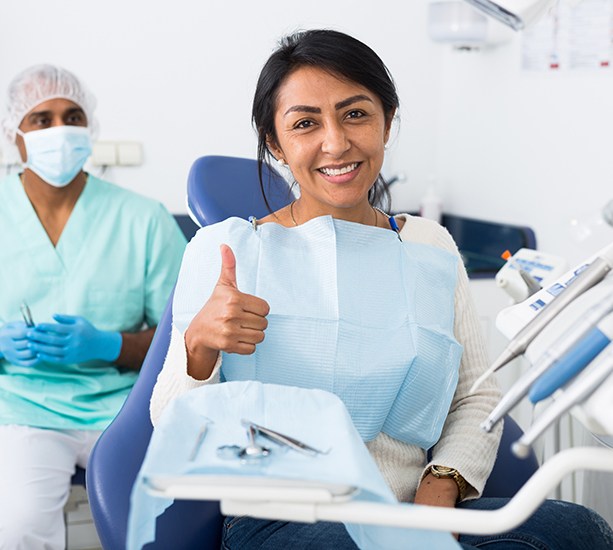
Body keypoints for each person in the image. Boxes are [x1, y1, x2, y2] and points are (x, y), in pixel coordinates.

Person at [149, 30, 613, 549]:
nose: (336, 142)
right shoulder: (224, 250)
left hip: (414, 508)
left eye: (355, 114)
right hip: (286, 522)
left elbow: (476, 395)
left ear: (387, 122)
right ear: (275, 143)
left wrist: (441, 490)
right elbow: (171, 425)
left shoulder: (431, 246)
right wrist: (200, 347)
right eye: (306, 123)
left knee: (581, 531)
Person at [0, 64, 187, 549]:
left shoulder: (142, 219)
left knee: (165, 522)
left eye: (72, 116)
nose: (60, 130)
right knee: (16, 525)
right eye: (41, 120)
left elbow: (183, 337)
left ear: (90, 127)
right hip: (25, 407)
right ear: (14, 135)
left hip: (124, 405)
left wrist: (110, 345)